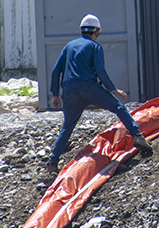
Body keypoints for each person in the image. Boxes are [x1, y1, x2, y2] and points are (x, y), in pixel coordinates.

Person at [47, 14, 151, 170]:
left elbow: (56, 71)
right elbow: (100, 71)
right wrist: (113, 89)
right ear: (97, 32)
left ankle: (53, 161)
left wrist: (55, 94)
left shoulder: (68, 46)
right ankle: (137, 136)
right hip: (88, 87)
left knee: (67, 127)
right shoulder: (95, 47)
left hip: (69, 91)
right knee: (119, 108)